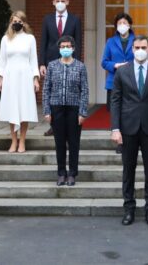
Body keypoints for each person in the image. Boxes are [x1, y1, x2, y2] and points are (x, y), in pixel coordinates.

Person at [110, 36, 148, 227]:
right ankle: (129, 209)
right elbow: (116, 101)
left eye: (143, 47)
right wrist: (115, 128)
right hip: (128, 128)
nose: (140, 50)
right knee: (128, 170)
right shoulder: (122, 71)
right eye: (137, 47)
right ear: (132, 49)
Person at [42, 35, 90, 186]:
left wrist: (83, 112)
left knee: (74, 143)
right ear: (59, 49)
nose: (65, 49)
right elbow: (46, 89)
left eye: (68, 46)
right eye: (62, 47)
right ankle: (61, 173)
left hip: (74, 109)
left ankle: (72, 173)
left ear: (73, 48)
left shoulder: (80, 66)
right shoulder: (52, 66)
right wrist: (47, 111)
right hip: (56, 108)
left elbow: (85, 90)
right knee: (60, 143)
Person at [40, 0, 83, 136]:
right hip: (51, 61)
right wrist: (42, 63)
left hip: (70, 61)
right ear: (53, 2)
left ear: (68, 2)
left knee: (69, 92)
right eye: (57, 1)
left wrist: (77, 62)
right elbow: (43, 42)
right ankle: (54, 125)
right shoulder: (47, 19)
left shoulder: (75, 19)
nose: (60, 3)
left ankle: (69, 123)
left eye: (63, 1)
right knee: (53, 92)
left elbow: (78, 42)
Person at [0, 11, 40, 153]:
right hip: (10, 76)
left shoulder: (30, 39)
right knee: (12, 108)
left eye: (20, 21)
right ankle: (13, 141)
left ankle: (22, 141)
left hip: (25, 76)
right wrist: (1, 79)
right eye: (14, 21)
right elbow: (2, 61)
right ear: (10, 22)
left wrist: (36, 79)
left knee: (24, 108)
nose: (17, 23)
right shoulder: (5, 39)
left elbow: (34, 60)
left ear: (24, 23)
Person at [102, 12, 135, 154]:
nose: (122, 26)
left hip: (132, 81)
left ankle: (130, 140)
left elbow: (142, 58)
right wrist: (115, 65)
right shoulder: (110, 41)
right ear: (116, 26)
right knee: (116, 112)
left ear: (130, 25)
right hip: (114, 81)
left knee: (129, 111)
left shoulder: (136, 40)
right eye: (120, 23)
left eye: (125, 23)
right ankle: (119, 142)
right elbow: (104, 62)